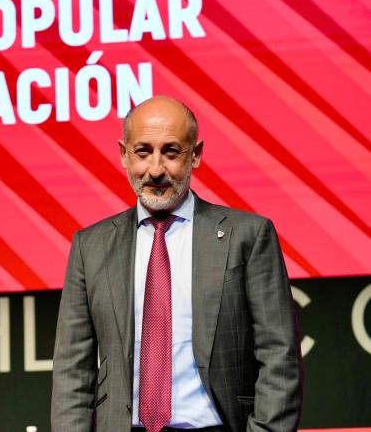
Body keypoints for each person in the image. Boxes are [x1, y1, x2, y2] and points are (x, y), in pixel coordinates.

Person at [51, 96, 302, 432]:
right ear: (124, 155)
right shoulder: (91, 246)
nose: (156, 170)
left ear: (195, 155)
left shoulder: (249, 235)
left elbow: (279, 354)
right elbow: (73, 368)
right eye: (143, 152)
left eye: (170, 152)